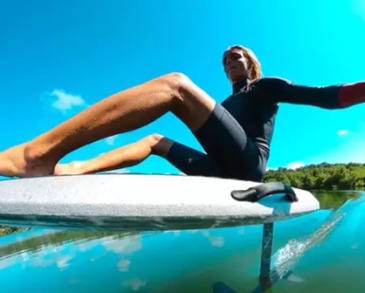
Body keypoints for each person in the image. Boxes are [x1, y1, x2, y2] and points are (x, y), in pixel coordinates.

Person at [1, 45, 365, 181]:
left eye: (237, 56)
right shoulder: (224, 107)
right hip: (220, 166)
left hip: (248, 166)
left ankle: (36, 155)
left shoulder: (266, 86)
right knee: (155, 141)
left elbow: (330, 96)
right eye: (225, 60)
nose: (230, 61)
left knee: (176, 85)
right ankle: (71, 169)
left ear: (251, 63)